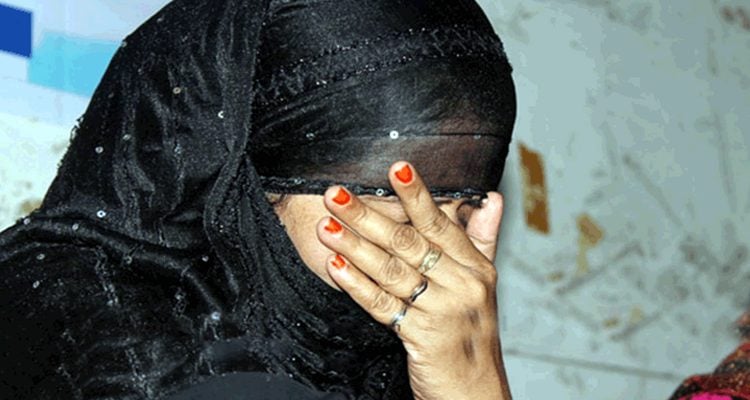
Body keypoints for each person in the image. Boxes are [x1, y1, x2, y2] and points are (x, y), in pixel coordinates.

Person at [0, 0, 517, 399]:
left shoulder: (378, 367)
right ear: (243, 182)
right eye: (391, 205)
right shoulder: (125, 347)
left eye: (464, 209)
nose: (436, 255)